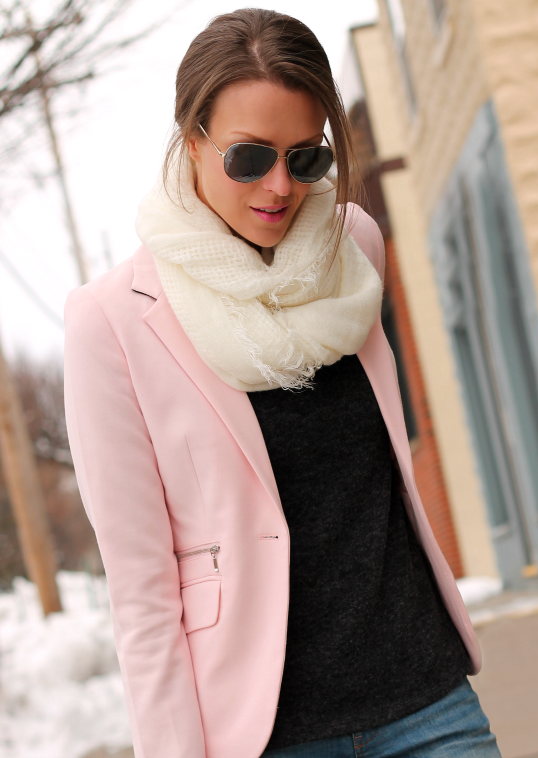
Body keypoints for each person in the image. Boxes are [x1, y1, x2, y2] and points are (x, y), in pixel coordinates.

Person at [64, 9, 501, 758]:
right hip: (268, 732)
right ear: (192, 138)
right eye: (248, 157)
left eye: (305, 159)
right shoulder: (112, 322)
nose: (279, 186)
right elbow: (143, 589)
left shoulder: (353, 247)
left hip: (426, 699)